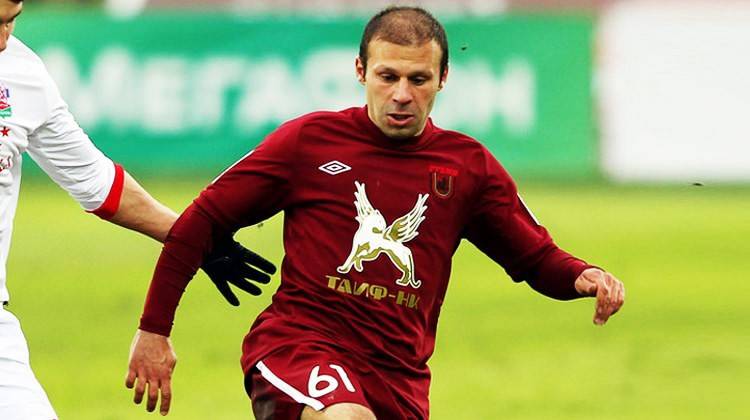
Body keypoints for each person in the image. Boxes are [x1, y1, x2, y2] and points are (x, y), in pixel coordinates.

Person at [127, 5, 625, 420]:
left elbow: (534, 257)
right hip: (299, 347)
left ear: (443, 78)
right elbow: (203, 220)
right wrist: (154, 329)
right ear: (361, 71)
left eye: (418, 79)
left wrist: (581, 275)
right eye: (388, 76)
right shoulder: (308, 142)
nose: (402, 94)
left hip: (398, 379)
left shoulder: (468, 167)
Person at [0, 1, 275, 419]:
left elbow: (98, 182)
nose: (4, 40)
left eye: (11, 22)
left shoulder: (23, 75)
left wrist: (193, 238)